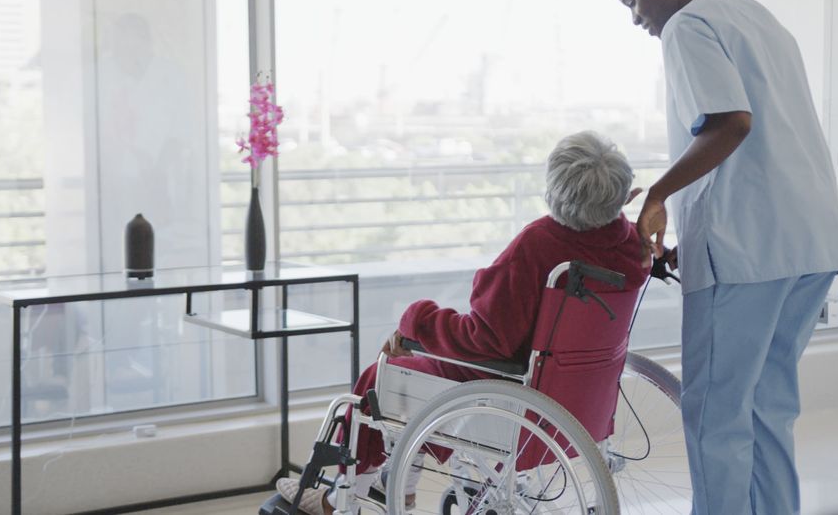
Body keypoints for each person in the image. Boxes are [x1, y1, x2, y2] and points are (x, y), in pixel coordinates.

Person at [275, 131, 650, 515]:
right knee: (414, 375)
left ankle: (341, 497)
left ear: (554, 189)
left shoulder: (539, 244)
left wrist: (416, 321)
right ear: (620, 194)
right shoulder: (631, 245)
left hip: (513, 396)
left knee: (384, 374)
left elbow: (486, 340)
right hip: (581, 403)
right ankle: (394, 484)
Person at [613, 0, 838, 513]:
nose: (635, 16)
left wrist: (661, 195)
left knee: (717, 412)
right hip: (811, 240)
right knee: (768, 408)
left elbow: (730, 123)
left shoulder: (686, 25)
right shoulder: (758, 17)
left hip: (746, 248)